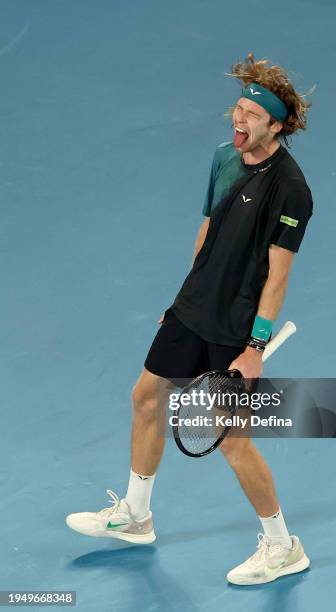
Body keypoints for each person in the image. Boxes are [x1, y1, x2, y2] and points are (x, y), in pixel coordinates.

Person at [66, 53, 314, 586]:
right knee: (145, 397)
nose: (239, 120)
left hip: (234, 328)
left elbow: (278, 275)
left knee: (232, 440)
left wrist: (256, 344)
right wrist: (183, 297)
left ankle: (282, 546)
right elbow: (208, 232)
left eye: (252, 114)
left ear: (276, 125)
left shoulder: (291, 190)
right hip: (192, 311)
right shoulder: (225, 159)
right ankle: (136, 515)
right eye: (238, 110)